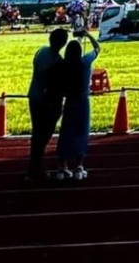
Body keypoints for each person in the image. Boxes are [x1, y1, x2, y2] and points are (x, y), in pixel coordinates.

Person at [55, 30, 100, 181]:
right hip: (82, 101)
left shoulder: (63, 65)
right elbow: (97, 48)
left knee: (66, 132)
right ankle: (79, 166)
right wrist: (87, 34)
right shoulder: (84, 62)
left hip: (69, 100)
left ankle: (62, 166)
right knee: (81, 132)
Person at [26, 27, 68, 182]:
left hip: (34, 96)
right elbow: (56, 84)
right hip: (48, 102)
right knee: (43, 135)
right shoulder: (58, 61)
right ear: (63, 43)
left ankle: (34, 167)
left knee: (37, 133)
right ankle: (36, 167)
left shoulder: (41, 51)